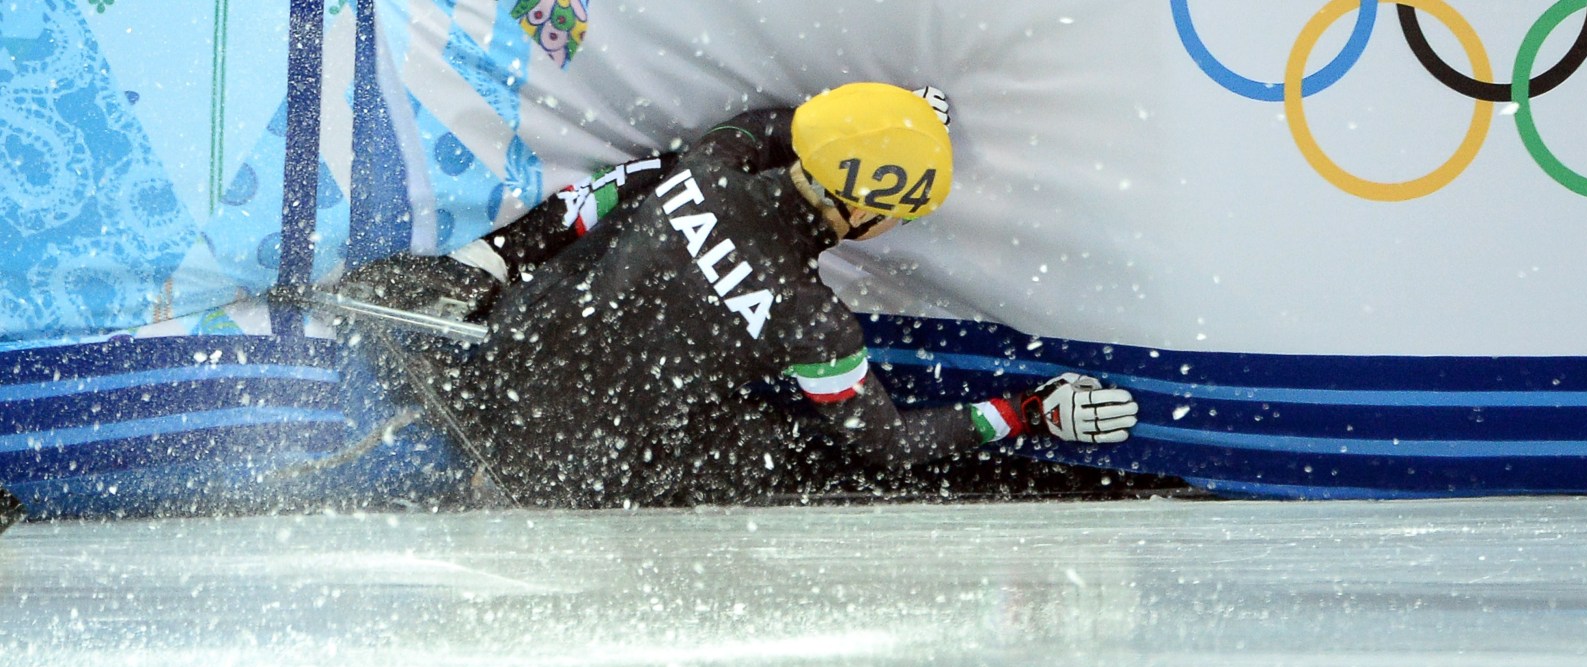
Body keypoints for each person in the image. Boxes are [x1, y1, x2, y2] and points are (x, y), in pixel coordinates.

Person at [341, 83, 1141, 507]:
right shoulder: (813, 321)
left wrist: (888, 127)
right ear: (862, 211)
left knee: (622, 225)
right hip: (571, 478)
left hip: (490, 377)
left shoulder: (714, 164)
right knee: (790, 450)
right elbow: (887, 446)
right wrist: (1028, 412)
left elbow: (778, 125)